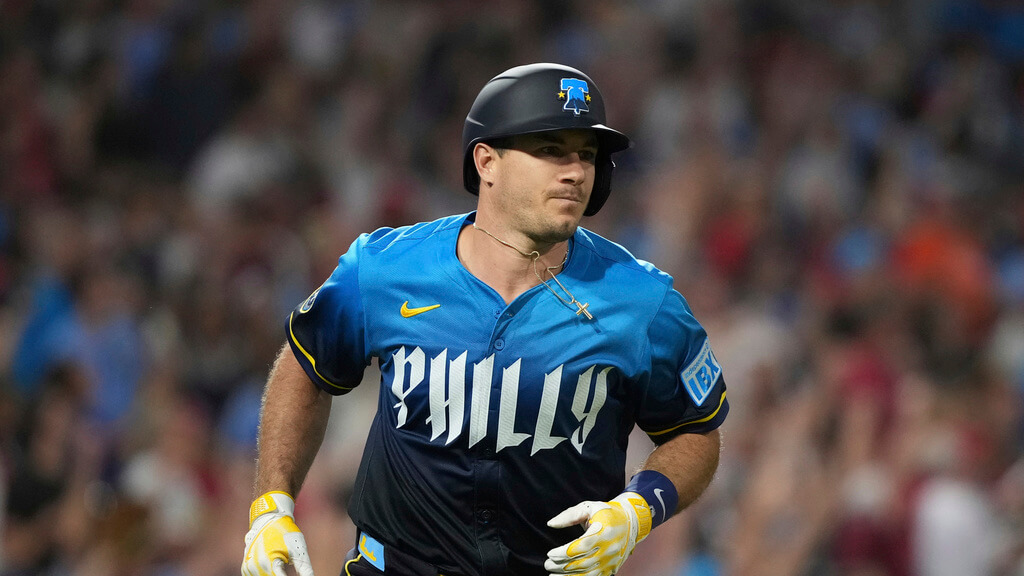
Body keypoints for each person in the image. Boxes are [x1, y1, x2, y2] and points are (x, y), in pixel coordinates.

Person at [241, 62, 729, 576]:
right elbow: (305, 368)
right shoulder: (386, 269)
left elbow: (695, 430)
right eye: (550, 150)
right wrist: (271, 505)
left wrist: (639, 508)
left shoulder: (641, 300)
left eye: (586, 155)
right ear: (486, 161)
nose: (575, 171)